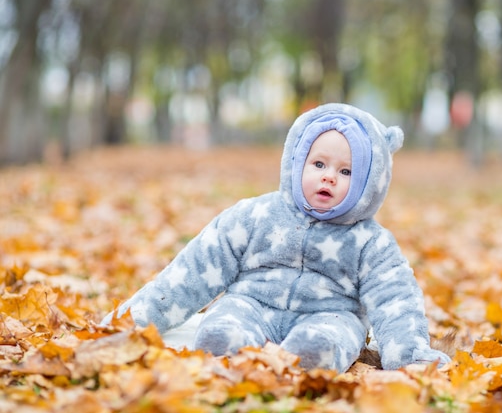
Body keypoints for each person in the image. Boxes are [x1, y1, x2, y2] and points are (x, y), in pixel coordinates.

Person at [101, 103, 451, 372]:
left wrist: (410, 357)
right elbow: (195, 269)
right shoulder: (255, 216)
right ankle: (229, 346)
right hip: (251, 303)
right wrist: (133, 320)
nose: (329, 177)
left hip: (329, 314)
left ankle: (311, 357)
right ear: (297, 162)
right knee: (222, 329)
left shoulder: (370, 243)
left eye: (346, 171)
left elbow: (395, 300)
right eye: (319, 165)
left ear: (368, 182)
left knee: (325, 342)